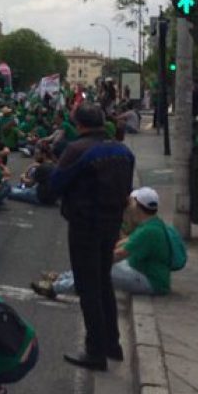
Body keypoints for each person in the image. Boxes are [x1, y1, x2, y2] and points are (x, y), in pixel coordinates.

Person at [49, 103, 134, 371]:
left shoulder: (77, 150)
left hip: (85, 223)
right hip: (112, 222)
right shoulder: (123, 151)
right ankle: (112, 343)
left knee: (89, 288)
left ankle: (95, 350)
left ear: (79, 125)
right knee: (103, 281)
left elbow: (55, 184)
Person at [33, 187, 173, 299]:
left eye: (131, 201)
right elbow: (124, 243)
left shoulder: (148, 231)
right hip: (142, 271)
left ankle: (55, 288)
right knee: (97, 264)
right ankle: (63, 278)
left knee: (100, 271)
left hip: (151, 281)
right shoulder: (152, 224)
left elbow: (118, 254)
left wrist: (95, 260)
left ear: (137, 204)